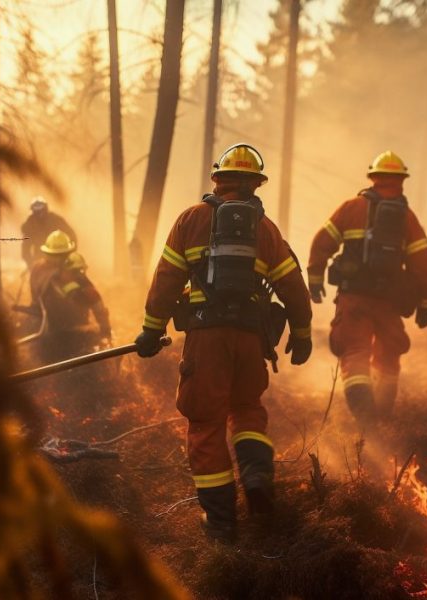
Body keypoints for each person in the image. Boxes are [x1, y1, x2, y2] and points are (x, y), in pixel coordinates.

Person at [133, 143, 312, 542]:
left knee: (206, 422)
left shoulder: (191, 220)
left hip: (206, 339)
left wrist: (150, 328)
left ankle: (220, 524)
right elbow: (293, 288)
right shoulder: (266, 231)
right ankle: (256, 477)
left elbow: (166, 280)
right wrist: (302, 333)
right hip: (251, 340)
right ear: (255, 185)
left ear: (219, 179)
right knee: (247, 407)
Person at [307, 150, 427, 426]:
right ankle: (383, 419)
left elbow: (321, 242)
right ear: (401, 180)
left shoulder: (351, 208)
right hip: (388, 302)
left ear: (373, 178)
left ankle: (365, 419)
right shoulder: (408, 219)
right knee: (388, 357)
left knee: (355, 352)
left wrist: (315, 278)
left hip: (353, 299)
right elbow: (423, 263)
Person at [29, 230, 111, 365]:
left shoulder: (66, 271)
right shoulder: (47, 271)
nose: (59, 260)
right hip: (48, 333)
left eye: (62, 255)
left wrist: (105, 331)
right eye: (56, 256)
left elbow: (95, 300)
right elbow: (92, 300)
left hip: (71, 331)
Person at [20, 196, 77, 269]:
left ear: (46, 209)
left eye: (41, 211)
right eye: (37, 212)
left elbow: (71, 235)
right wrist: (31, 265)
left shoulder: (55, 220)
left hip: (60, 256)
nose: (40, 214)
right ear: (33, 212)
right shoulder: (30, 225)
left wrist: (70, 254)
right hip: (40, 259)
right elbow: (25, 249)